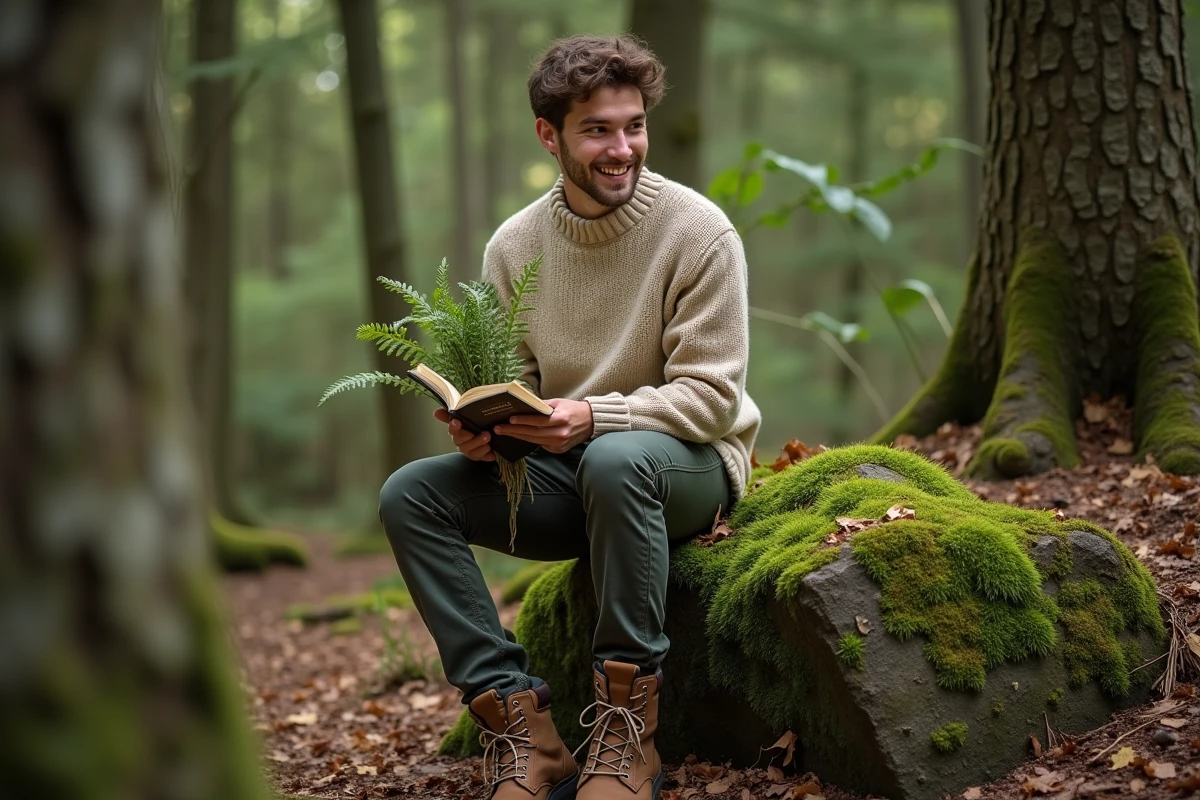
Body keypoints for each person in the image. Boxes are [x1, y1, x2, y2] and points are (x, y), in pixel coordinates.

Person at [379, 33, 760, 800]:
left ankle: (628, 735)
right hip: (569, 479)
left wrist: (593, 417)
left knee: (617, 459)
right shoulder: (514, 245)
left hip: (687, 469)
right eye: (598, 131)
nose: (623, 149)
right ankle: (522, 728)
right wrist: (488, 436)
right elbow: (519, 386)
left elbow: (713, 396)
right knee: (410, 494)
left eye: (635, 126)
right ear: (548, 136)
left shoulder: (698, 232)